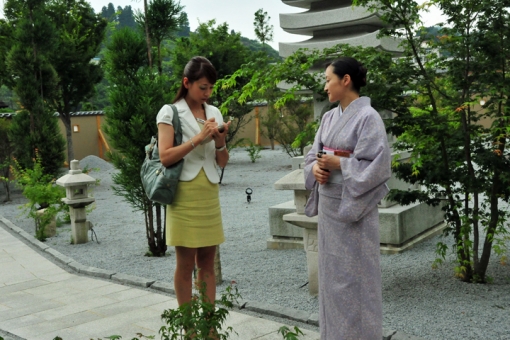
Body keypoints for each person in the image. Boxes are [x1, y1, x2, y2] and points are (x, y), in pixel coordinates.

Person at [304, 57, 391, 339]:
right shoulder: (329, 117)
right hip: (330, 207)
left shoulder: (368, 117)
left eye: (329, 80)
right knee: (332, 278)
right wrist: (316, 168)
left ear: (345, 80)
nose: (326, 86)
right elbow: (312, 155)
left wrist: (340, 164)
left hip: (354, 208)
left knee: (356, 279)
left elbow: (378, 166)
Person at [156, 56, 230, 307]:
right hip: (184, 194)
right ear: (186, 83)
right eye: (202, 87)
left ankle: (208, 326)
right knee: (185, 264)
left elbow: (222, 162)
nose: (207, 93)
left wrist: (219, 141)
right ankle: (188, 327)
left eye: (210, 88)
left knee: (207, 263)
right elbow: (165, 157)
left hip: (209, 191)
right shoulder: (170, 111)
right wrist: (199, 138)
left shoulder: (215, 112)